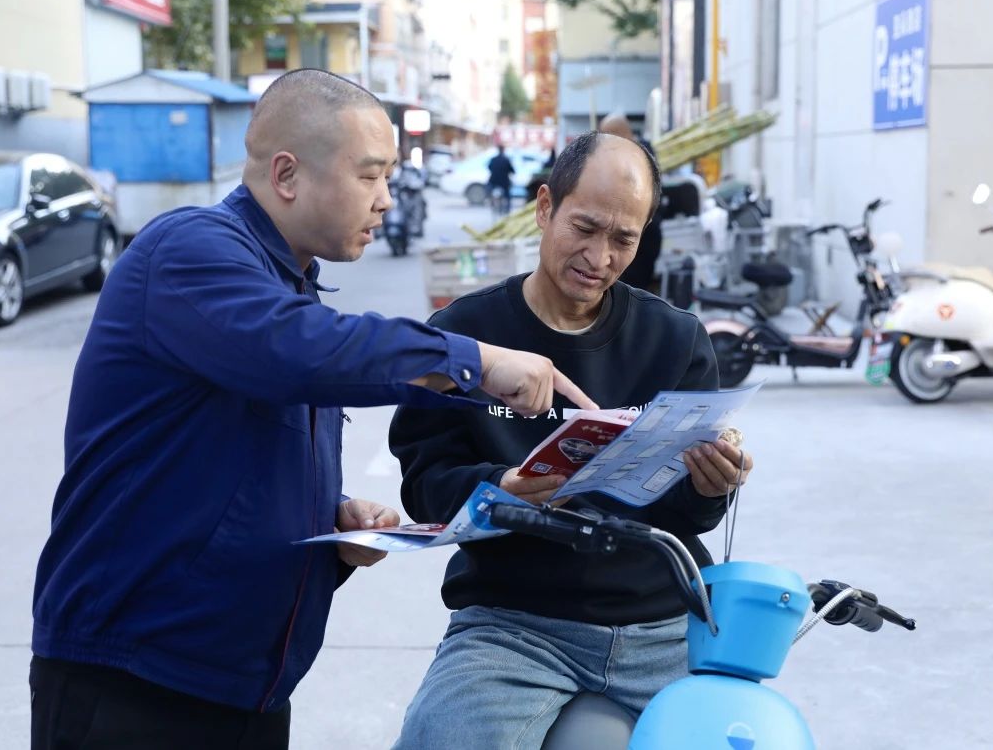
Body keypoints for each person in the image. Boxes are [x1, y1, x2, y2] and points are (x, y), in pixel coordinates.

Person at [29, 69, 595, 750]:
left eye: (390, 178)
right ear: (287, 174)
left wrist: (331, 520)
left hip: (246, 686)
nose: (386, 200)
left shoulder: (289, 287)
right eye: (370, 175)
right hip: (135, 680)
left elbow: (231, 461)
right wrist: (473, 358)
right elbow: (303, 351)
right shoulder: (189, 252)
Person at [389, 130, 756, 749]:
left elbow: (688, 517)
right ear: (544, 207)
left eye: (623, 240)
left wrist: (710, 483)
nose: (599, 257)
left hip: (663, 624)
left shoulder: (674, 339)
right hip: (514, 627)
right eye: (584, 228)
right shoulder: (465, 334)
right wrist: (502, 490)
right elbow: (424, 487)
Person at [599, 112, 663, 292]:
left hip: (639, 237)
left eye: (608, 136)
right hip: (627, 235)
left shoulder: (640, 159)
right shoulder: (620, 156)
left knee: (629, 290)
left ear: (622, 133)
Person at [487, 143, 515, 216]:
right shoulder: (506, 159)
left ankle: (491, 202)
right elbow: (512, 170)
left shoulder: (493, 159)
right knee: (508, 196)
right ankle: (507, 210)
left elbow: (489, 167)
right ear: (503, 150)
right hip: (504, 182)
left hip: (494, 181)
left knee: (489, 190)